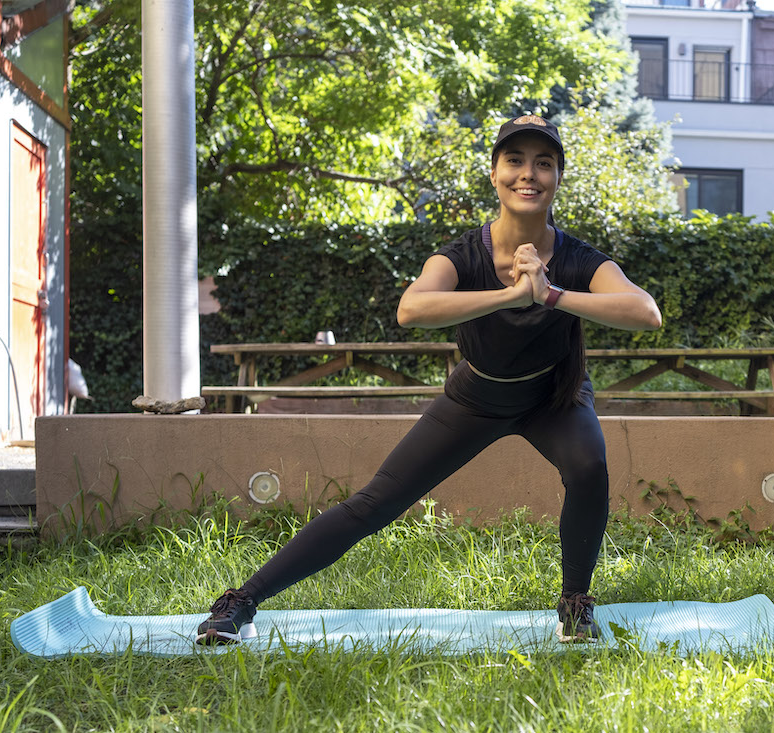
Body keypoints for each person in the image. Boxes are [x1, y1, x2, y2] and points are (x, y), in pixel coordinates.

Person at [196, 114, 662, 645]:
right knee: (376, 502)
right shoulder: (462, 254)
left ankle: (575, 603)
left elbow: (645, 312)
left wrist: (550, 293)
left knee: (589, 466)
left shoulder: (578, 259)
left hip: (552, 397)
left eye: (544, 163)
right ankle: (240, 602)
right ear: (494, 173)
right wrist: (512, 295)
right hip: (476, 397)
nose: (528, 174)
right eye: (515, 161)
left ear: (557, 177)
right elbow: (412, 309)